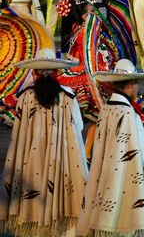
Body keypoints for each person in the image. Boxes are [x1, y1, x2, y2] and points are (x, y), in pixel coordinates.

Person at [0, 48, 88, 237]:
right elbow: (78, 128)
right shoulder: (67, 96)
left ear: (34, 72)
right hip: (63, 161)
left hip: (31, 162)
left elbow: (19, 134)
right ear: (58, 73)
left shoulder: (25, 97)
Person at [77, 59, 144, 237]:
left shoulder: (105, 109)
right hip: (124, 175)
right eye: (136, 83)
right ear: (130, 84)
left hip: (105, 175)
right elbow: (140, 153)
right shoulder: (129, 113)